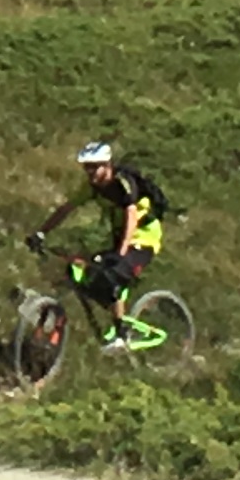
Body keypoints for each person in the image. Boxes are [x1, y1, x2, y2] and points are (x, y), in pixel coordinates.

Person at [47, 140, 168, 342]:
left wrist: (121, 253)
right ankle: (114, 317)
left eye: (95, 167)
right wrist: (41, 233)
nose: (90, 172)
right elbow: (66, 209)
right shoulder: (93, 188)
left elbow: (131, 216)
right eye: (87, 167)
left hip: (144, 239)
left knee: (115, 274)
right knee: (92, 271)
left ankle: (121, 334)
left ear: (107, 165)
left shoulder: (123, 184)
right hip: (122, 238)